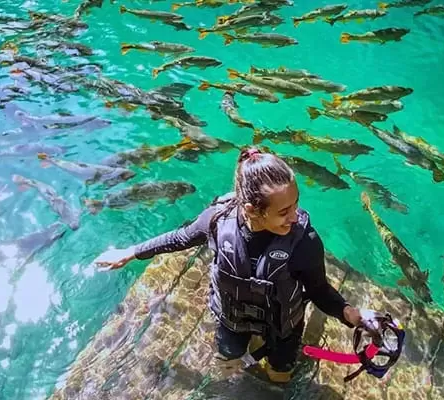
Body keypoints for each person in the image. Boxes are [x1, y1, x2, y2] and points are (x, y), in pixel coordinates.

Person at [94, 146, 384, 384]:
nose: (294, 216)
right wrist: (131, 252)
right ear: (251, 210)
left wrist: (353, 315)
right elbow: (180, 238)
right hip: (231, 319)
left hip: (283, 327)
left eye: (296, 205)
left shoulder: (303, 241)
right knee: (229, 362)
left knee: (278, 377)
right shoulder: (218, 221)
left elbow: (319, 290)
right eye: (283, 211)